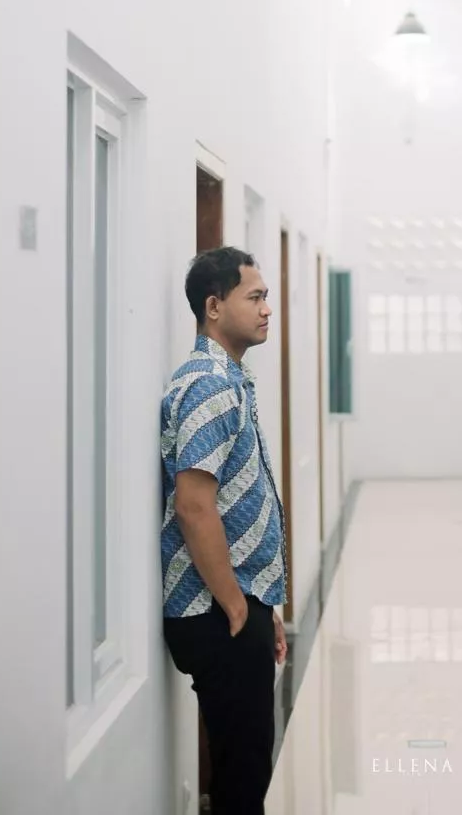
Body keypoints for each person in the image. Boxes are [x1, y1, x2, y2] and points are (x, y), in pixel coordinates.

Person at [161, 247, 288, 815]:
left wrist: (261, 605)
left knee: (246, 763)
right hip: (214, 610)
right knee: (242, 776)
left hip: (234, 601)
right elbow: (194, 507)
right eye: (254, 297)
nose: (267, 309)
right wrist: (237, 605)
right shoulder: (209, 385)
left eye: (266, 297)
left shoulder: (229, 378)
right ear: (214, 307)